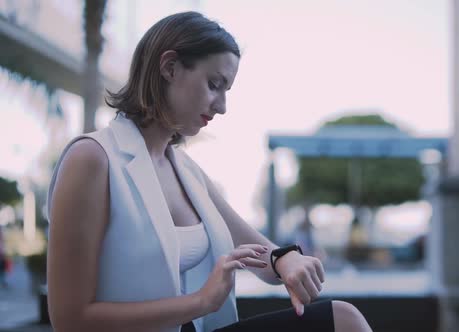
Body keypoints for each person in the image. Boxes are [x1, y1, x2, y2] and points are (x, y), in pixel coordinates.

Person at [47, 11, 372, 332]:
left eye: (227, 90)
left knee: (344, 320)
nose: (222, 106)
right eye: (214, 84)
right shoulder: (92, 159)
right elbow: (70, 319)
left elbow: (258, 252)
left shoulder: (186, 170)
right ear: (170, 67)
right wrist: (201, 301)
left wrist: (285, 260)